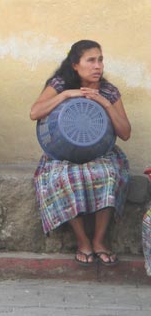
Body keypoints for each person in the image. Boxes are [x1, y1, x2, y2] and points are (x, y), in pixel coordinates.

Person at [30, 40, 131, 266]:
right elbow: (35, 112)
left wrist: (105, 103)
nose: (98, 66)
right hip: (62, 152)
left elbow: (125, 132)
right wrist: (66, 95)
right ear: (76, 65)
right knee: (63, 177)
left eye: (100, 60)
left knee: (108, 174)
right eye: (91, 60)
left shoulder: (109, 91)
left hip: (101, 152)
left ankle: (99, 240)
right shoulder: (59, 84)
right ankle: (82, 241)